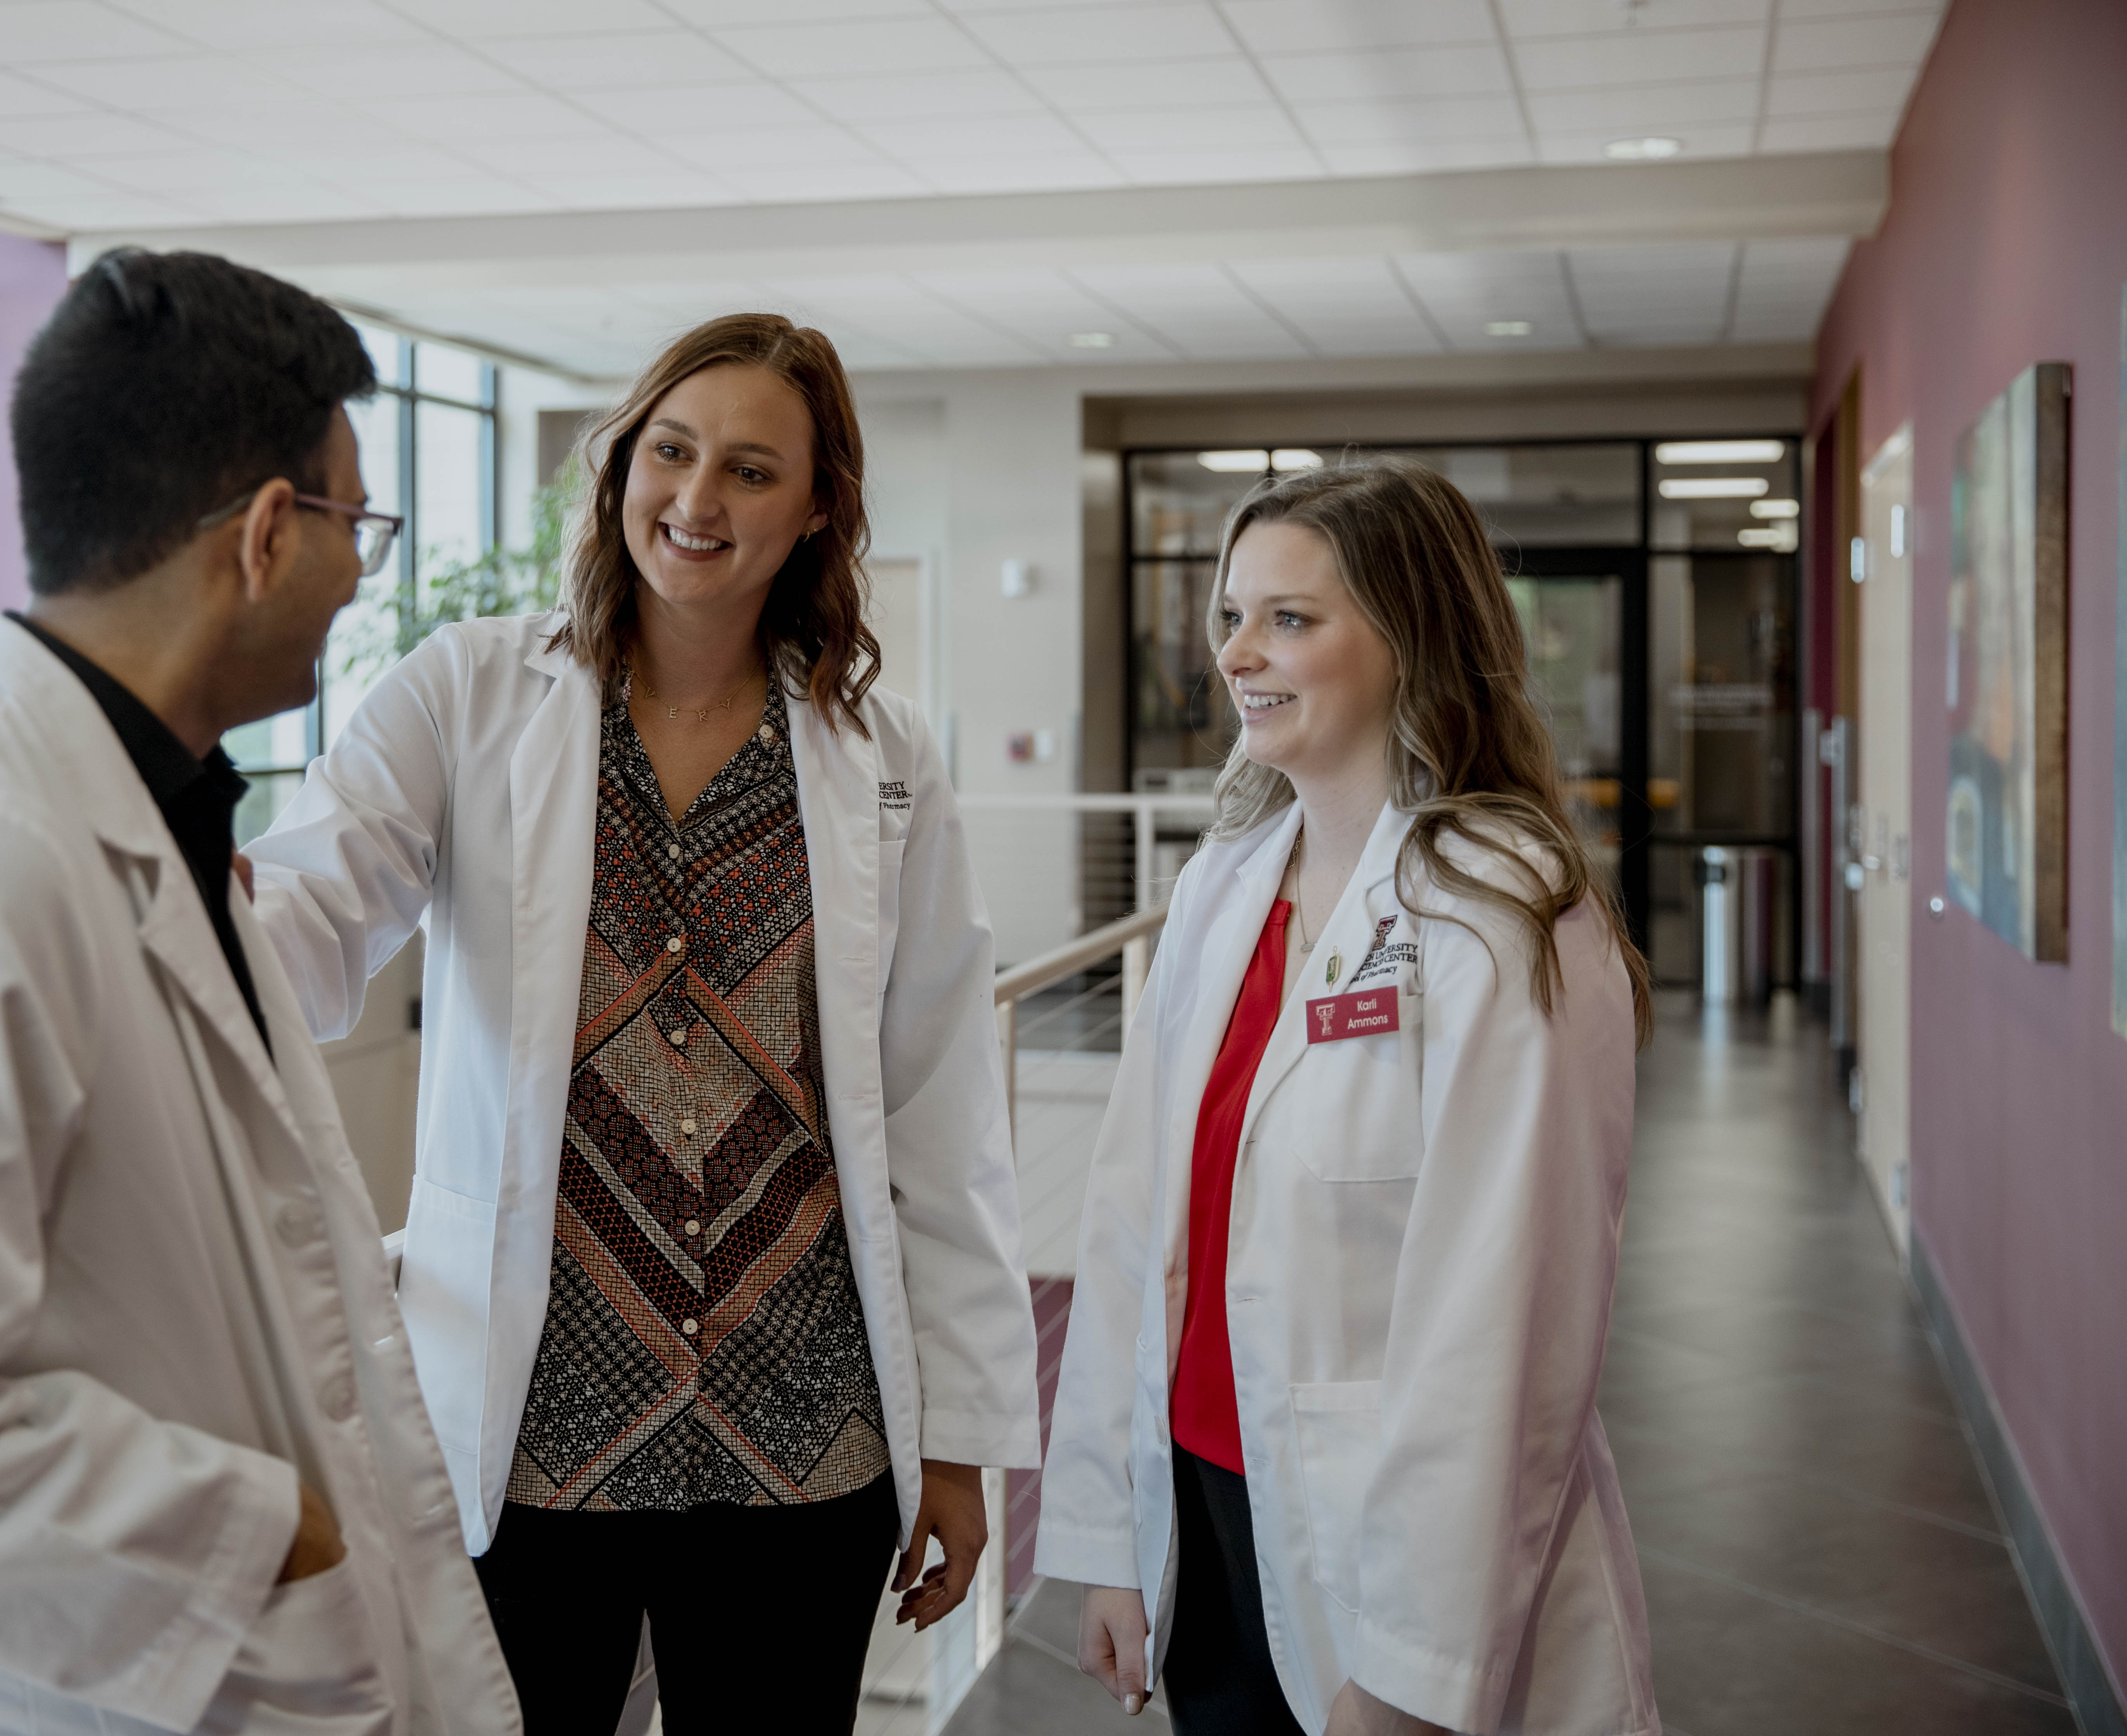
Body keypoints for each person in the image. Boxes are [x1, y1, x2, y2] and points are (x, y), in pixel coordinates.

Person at [0, 248, 517, 1736]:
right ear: (268, 534)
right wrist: (272, 1535)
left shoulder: (142, 818)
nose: (355, 578)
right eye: (356, 528)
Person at [244, 312, 1040, 1734]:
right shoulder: (473, 690)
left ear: (815, 512)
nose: (697, 499)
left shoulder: (884, 753)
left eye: (749, 470)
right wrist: (171, 905)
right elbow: (314, 907)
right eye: (670, 452)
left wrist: (968, 1446)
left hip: (804, 1428)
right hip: (533, 1429)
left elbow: (938, 1104)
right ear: (619, 465)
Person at [1035, 458, 1659, 1736]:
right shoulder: (1225, 884)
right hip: (1209, 1504)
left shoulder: (1501, 913)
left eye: (1291, 619)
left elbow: (1509, 1316)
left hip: (1396, 1545)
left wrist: (1419, 1665)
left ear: (1413, 638)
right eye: (1230, 616)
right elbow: (1130, 1223)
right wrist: (1108, 1530)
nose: (1238, 654)